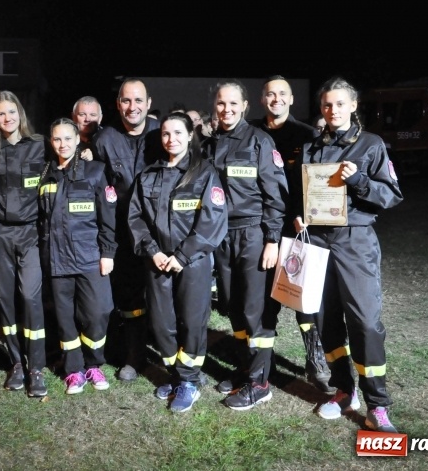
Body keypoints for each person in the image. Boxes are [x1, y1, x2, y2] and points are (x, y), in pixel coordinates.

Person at [292, 77, 403, 432]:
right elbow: (304, 193)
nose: (333, 110)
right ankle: (344, 390)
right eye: (327, 104)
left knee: (366, 323)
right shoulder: (311, 147)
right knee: (326, 320)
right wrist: (299, 214)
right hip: (317, 242)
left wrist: (359, 181)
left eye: (340, 104)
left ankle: (377, 404)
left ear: (354, 106)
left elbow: (390, 195)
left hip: (354, 241)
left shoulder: (371, 145)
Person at [128, 113, 227, 412]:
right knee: (161, 324)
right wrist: (153, 251)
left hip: (192, 262)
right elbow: (135, 217)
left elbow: (213, 219)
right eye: (166, 134)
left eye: (177, 133)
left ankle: (189, 381)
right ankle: (177, 373)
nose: (171, 139)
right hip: (157, 262)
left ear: (189, 135)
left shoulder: (204, 173)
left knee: (193, 322)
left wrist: (183, 256)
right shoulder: (148, 176)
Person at [202, 79, 289, 411]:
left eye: (233, 104)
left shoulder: (259, 142)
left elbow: (276, 196)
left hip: (253, 234)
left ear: (245, 106)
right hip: (222, 236)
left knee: (256, 311)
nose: (227, 109)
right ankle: (245, 369)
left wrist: (272, 239)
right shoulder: (210, 145)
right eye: (221, 104)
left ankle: (260, 382)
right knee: (233, 307)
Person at [252, 75, 333, 393]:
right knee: (264, 303)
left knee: (305, 301)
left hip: (298, 230)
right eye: (270, 94)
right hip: (261, 232)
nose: (276, 99)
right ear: (262, 100)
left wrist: (308, 217)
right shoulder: (252, 134)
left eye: (282, 94)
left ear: (291, 99)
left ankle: (317, 361)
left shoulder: (306, 135)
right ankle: (262, 364)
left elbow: (318, 182)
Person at [91, 77, 163, 382]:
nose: (132, 107)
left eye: (138, 101)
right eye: (125, 100)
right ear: (117, 104)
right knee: (130, 298)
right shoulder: (103, 140)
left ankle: (173, 355)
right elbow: (98, 190)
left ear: (148, 104)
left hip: (162, 232)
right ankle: (135, 357)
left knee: (166, 298)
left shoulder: (164, 134)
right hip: (122, 233)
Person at [38, 118, 116, 395]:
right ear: (51, 142)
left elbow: (108, 217)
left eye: (68, 139)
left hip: (89, 257)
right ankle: (73, 370)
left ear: (78, 140)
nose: (63, 144)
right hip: (57, 259)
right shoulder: (45, 174)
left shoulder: (95, 171)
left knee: (99, 311)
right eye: (57, 139)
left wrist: (108, 252)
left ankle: (94, 364)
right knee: (64, 316)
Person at [0, 91, 49, 397]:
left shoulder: (40, 145)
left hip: (31, 233)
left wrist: (85, 153)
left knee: (30, 296)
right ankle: (16, 364)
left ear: (20, 114)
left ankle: (36, 366)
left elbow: (67, 157)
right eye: (1, 114)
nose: (7, 118)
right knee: (5, 300)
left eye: (11, 112)